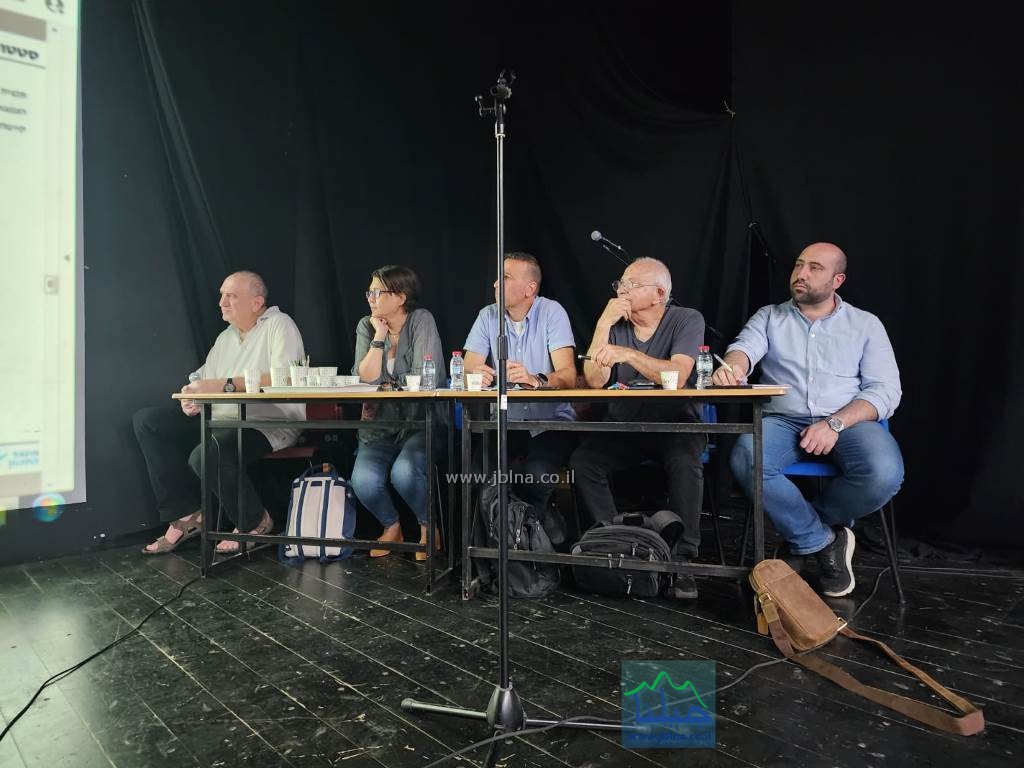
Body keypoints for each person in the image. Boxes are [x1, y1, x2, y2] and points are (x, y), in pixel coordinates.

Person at [715, 242, 904, 597]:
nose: (801, 274)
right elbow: (743, 349)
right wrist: (735, 367)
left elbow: (885, 391)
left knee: (883, 473)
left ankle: (804, 531)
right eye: (799, 265)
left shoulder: (865, 324)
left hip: (849, 422)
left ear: (837, 280)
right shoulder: (769, 316)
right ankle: (822, 541)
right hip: (783, 421)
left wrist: (834, 424)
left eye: (814, 268)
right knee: (746, 456)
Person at [135, 271, 306, 555]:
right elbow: (201, 378)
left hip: (265, 423)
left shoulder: (279, 324)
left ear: (256, 303)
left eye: (231, 296)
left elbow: (285, 377)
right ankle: (188, 514)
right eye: (222, 295)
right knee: (149, 422)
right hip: (221, 418)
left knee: (205, 454)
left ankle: (254, 520)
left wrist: (222, 385)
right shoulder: (226, 337)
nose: (222, 302)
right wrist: (191, 397)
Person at [570, 257, 706, 599]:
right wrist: (603, 323)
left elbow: (677, 376)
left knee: (685, 462)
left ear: (659, 293)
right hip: (625, 426)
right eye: (621, 284)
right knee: (584, 462)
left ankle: (682, 560)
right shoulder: (616, 325)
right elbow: (595, 381)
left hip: (675, 424)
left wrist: (629, 356)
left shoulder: (686, 319)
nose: (622, 291)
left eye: (631, 285)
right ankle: (617, 544)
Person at [463, 252, 578, 513]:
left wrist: (535, 380)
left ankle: (536, 527)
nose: (495, 283)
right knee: (476, 477)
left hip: (550, 423)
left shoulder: (552, 312)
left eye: (505, 277)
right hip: (504, 423)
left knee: (536, 476)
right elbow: (468, 366)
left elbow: (568, 375)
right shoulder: (487, 315)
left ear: (530, 289)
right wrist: (476, 374)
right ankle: (497, 534)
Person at [350, 265, 445, 559]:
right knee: (363, 481)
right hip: (380, 425)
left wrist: (384, 386)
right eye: (369, 292)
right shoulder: (367, 326)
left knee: (404, 473)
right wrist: (379, 336)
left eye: (377, 292)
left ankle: (429, 528)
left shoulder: (421, 320)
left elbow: (423, 377)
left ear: (401, 297)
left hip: (421, 422)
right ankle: (392, 526)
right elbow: (364, 378)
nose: (371, 298)